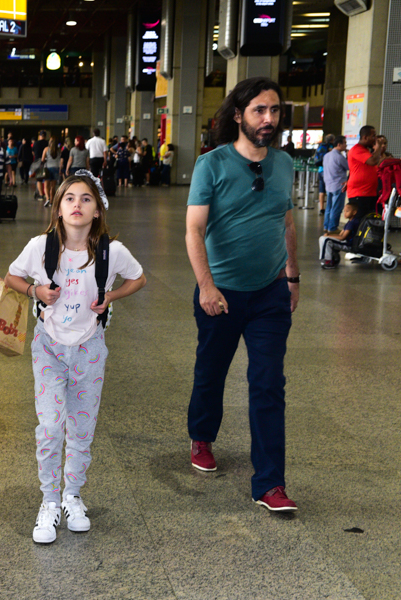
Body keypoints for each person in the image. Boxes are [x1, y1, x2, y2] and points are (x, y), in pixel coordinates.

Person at [5, 171, 146, 544]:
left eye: (86, 199)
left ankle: (72, 495)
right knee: (51, 424)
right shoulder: (41, 246)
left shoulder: (111, 251)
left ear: (98, 210)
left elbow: (138, 279)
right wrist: (36, 289)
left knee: (82, 428)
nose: (77, 205)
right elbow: (11, 278)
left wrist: (111, 297)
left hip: (90, 348)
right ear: (58, 207)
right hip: (49, 347)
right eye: (69, 198)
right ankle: (49, 500)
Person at [185, 77, 300, 512]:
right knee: (211, 371)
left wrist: (293, 277)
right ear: (238, 115)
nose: (268, 119)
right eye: (258, 111)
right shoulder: (211, 164)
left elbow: (286, 223)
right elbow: (194, 231)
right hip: (222, 293)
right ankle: (202, 434)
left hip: (270, 294)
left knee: (268, 383)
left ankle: (270, 484)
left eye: (274, 110)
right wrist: (207, 286)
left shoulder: (284, 163)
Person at [347, 125, 386, 217]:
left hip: (369, 192)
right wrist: (378, 147)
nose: (375, 139)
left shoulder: (366, 151)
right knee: (360, 222)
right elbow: (373, 161)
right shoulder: (357, 149)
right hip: (360, 193)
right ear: (365, 137)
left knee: (369, 221)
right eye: (373, 136)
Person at [318, 203, 360, 269]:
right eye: (344, 211)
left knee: (326, 240)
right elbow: (340, 234)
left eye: (347, 211)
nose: (345, 213)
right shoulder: (349, 222)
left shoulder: (352, 223)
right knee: (323, 238)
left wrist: (328, 236)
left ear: (354, 212)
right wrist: (329, 235)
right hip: (345, 242)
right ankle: (333, 257)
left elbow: (343, 237)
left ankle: (327, 261)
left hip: (348, 245)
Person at [321, 136, 349, 234]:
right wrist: (348, 155)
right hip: (338, 185)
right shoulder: (339, 156)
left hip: (329, 185)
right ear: (339, 144)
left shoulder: (327, 155)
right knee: (336, 208)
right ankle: (332, 228)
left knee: (329, 207)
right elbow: (348, 166)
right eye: (345, 143)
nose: (346, 145)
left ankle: (326, 226)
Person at [315, 134, 336, 215]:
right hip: (327, 170)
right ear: (332, 140)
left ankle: (321, 208)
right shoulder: (331, 147)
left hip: (320, 170)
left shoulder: (321, 146)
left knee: (321, 190)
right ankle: (328, 208)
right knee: (329, 190)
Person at [41, 136, 60, 207]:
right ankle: (51, 202)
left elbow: (42, 160)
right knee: (53, 186)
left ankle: (47, 198)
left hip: (48, 169)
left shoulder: (46, 149)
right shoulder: (58, 150)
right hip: (56, 169)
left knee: (46, 186)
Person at [33, 131, 49, 200]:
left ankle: (41, 195)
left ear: (39, 136)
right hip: (46, 162)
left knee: (39, 179)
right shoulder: (47, 143)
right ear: (45, 136)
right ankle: (46, 194)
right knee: (46, 179)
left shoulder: (36, 143)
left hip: (38, 162)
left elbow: (33, 152)